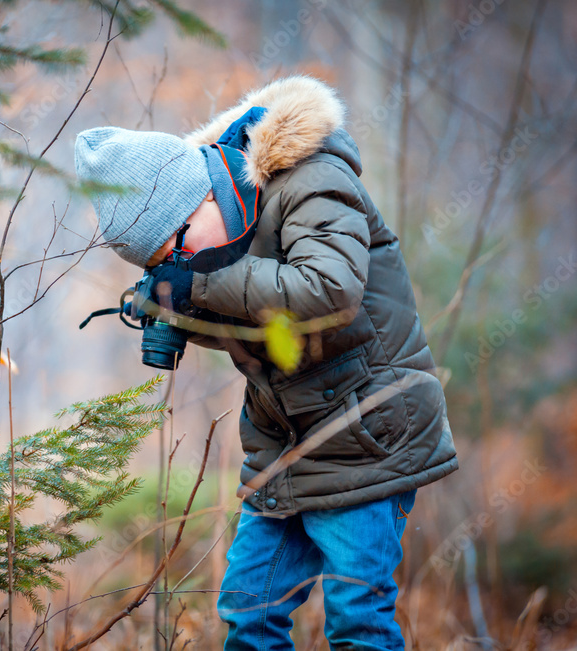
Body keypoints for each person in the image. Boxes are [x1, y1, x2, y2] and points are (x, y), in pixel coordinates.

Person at [74, 75, 458, 650]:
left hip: (368, 438)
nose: (184, 261)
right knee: (249, 612)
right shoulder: (223, 238)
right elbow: (262, 329)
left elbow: (328, 290)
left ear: (200, 199)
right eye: (165, 261)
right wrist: (175, 307)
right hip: (284, 447)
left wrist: (200, 284)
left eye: (176, 248)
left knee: (357, 617)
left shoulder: (312, 178)